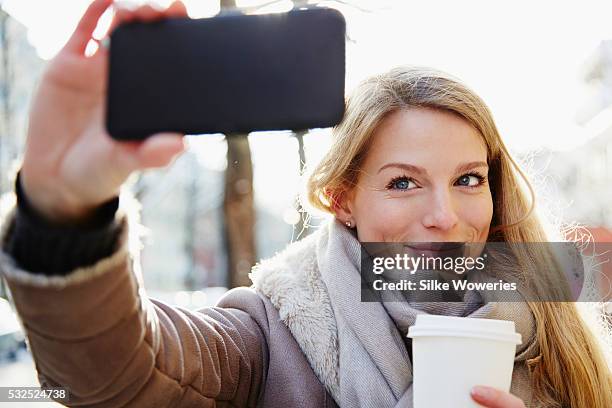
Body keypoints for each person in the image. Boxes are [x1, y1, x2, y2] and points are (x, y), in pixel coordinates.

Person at [0, 0, 610, 407]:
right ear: (342, 197)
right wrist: (65, 211)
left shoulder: (557, 331)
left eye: (469, 179)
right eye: (403, 182)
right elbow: (121, 373)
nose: (445, 215)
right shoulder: (272, 333)